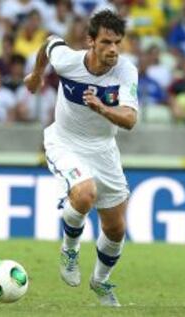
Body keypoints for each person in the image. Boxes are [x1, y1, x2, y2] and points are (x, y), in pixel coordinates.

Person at [25, 10, 139, 307]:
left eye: (117, 42)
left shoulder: (126, 71)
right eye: (105, 42)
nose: (112, 49)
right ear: (90, 41)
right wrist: (37, 74)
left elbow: (129, 120)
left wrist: (101, 108)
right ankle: (70, 250)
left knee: (116, 229)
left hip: (104, 150)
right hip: (65, 143)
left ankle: (100, 281)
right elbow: (49, 44)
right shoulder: (68, 61)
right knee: (84, 193)